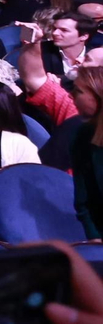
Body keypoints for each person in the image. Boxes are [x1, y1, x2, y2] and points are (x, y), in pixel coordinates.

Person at [69, 67, 103, 238]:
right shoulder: (84, 135)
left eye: (79, 91)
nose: (71, 95)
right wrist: (95, 238)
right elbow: (84, 202)